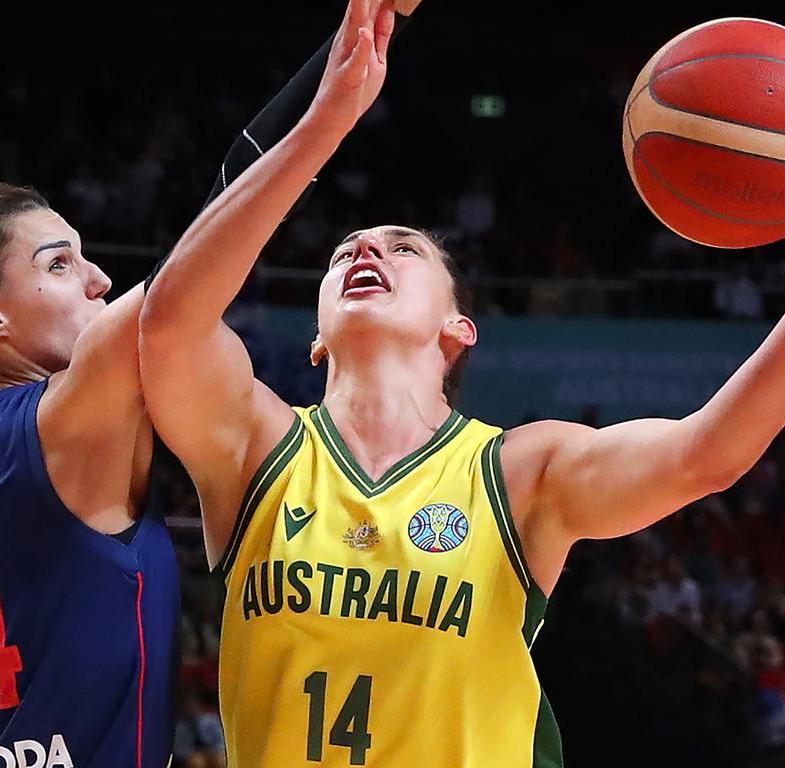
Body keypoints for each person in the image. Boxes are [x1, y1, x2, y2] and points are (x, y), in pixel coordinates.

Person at [0, 4, 423, 764]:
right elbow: (201, 249)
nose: (99, 279)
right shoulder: (61, 421)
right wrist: (331, 112)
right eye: (58, 264)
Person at [138, 1, 785, 765]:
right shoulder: (254, 447)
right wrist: (325, 125)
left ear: (459, 329)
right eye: (345, 248)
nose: (365, 248)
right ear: (314, 338)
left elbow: (703, 453)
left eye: (404, 248)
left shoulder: (518, 472)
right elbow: (168, 324)